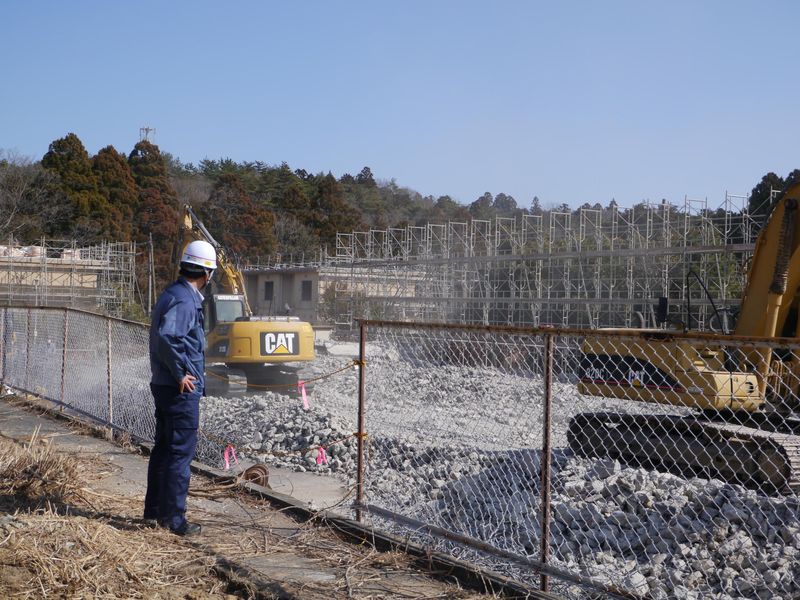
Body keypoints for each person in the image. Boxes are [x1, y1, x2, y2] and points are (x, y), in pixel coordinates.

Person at [143, 239, 216, 536]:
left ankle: (154, 513)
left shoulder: (172, 294)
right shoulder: (186, 300)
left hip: (164, 385)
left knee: (163, 450)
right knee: (179, 454)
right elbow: (168, 338)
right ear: (206, 274)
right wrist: (182, 374)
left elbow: (167, 337)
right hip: (178, 390)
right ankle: (174, 520)